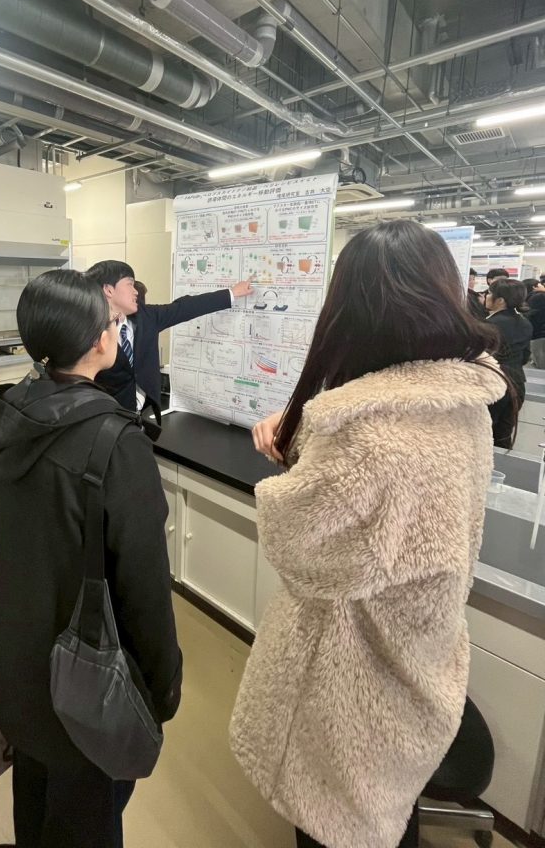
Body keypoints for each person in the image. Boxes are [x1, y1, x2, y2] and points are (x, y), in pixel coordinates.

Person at [229, 220, 505, 848]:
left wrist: (299, 447)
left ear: (351, 309)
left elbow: (298, 547)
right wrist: (311, 436)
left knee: (341, 822)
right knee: (383, 813)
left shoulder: (366, 436)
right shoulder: (461, 403)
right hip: (420, 655)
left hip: (350, 683)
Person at [0, 269, 182, 848]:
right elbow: (144, 587)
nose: (117, 329)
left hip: (14, 655)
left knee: (35, 799)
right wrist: (162, 688)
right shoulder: (116, 443)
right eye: (112, 322)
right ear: (98, 342)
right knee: (87, 817)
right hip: (86, 682)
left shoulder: (5, 414)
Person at [83, 259, 252, 417]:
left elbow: (184, 307)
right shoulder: (87, 331)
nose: (136, 291)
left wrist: (231, 293)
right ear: (109, 290)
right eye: (130, 284)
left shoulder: (146, 317)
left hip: (142, 414)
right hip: (105, 417)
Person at [484, 277, 532, 448]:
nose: (486, 296)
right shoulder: (525, 323)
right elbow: (525, 356)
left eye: (489, 293)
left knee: (484, 434)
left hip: (493, 383)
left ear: (500, 300)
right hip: (517, 383)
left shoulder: (489, 325)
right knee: (503, 435)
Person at [527, 280, 545, 368]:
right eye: (540, 284)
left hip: (535, 334)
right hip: (541, 334)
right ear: (534, 287)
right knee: (541, 363)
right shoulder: (540, 296)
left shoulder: (529, 298)